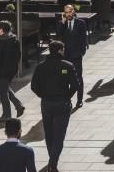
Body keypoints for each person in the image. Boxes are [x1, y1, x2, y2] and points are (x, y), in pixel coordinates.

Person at [30, 41, 79, 172]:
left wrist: (43, 95)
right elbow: (75, 85)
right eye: (63, 49)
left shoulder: (41, 67)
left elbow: (34, 86)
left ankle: (52, 160)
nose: (64, 51)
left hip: (46, 103)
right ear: (59, 51)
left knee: (49, 133)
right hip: (62, 104)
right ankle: (53, 163)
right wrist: (67, 96)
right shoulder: (68, 66)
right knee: (59, 135)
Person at [0, 20, 24, 122]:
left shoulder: (0, 41)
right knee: (6, 89)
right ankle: (18, 105)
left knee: (3, 94)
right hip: (11, 71)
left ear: (1, 29)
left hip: (1, 72)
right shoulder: (14, 39)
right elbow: (18, 55)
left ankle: (6, 115)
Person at [56, 5, 88, 108]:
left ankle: (79, 100)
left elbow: (84, 39)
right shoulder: (62, 23)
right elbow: (58, 35)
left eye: (70, 12)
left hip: (76, 56)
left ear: (73, 11)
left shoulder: (80, 23)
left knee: (78, 78)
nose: (68, 14)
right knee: (65, 78)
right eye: (66, 12)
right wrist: (62, 22)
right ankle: (67, 99)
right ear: (64, 13)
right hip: (65, 57)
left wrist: (82, 52)